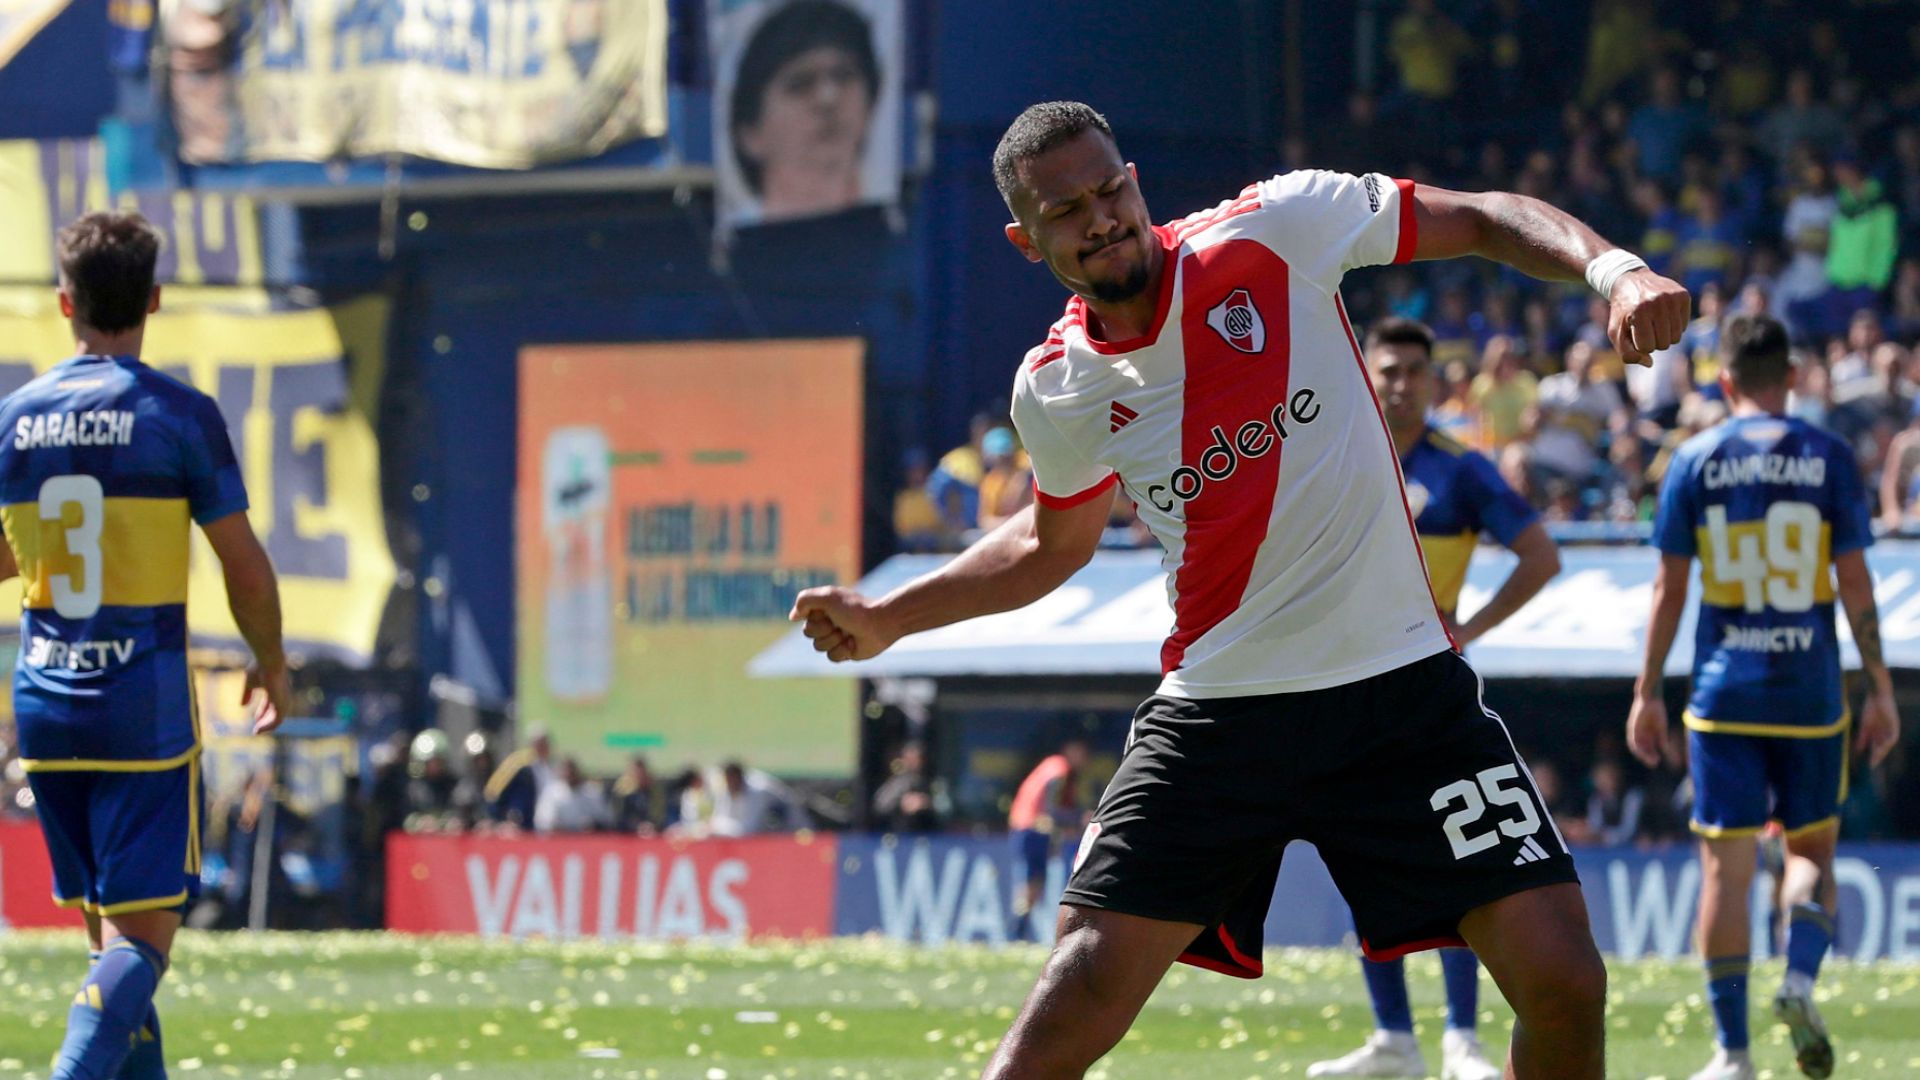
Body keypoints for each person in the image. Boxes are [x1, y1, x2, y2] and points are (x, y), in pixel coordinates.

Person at [793, 101, 1690, 1079]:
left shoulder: (1275, 228)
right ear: (1024, 238)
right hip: (1222, 712)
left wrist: (1616, 268)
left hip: (1402, 694)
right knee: (1079, 990)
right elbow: (1053, 547)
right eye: (1067, 211)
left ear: (1134, 180)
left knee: (1564, 978)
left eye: (1110, 190)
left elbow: (1474, 215)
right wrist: (891, 616)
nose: (1100, 218)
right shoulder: (1057, 389)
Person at [0, 211, 289, 1080]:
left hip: (47, 708)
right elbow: (243, 563)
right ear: (154, 299)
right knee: (141, 946)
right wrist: (271, 659)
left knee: (113, 949)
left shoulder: (12, 419)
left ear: (64, 303)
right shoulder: (178, 416)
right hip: (143, 709)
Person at [1629, 314, 1900, 1080]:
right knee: (1810, 853)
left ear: (1723, 382)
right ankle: (1799, 981)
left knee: (1726, 871)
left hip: (1722, 693)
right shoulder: (1828, 457)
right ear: (1790, 380)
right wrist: (1879, 689)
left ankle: (1732, 1054)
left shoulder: (1692, 460)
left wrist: (1647, 690)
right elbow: (1855, 585)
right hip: (1810, 692)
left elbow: (1668, 588)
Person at [1309, 317, 1563, 1080]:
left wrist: (1469, 628)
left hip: (1424, 692)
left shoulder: (1460, 470)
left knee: (1460, 856)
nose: (1398, 383)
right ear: (1367, 371)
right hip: (1339, 688)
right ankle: (1394, 1038)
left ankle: (1462, 1039)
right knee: (1356, 858)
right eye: (1387, 369)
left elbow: (1540, 554)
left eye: (1414, 371)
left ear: (1433, 380)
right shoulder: (1329, 450)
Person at [727, 0, 881, 220]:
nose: (828, 99)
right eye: (800, 84)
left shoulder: (899, 229)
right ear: (751, 134)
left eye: (843, 76)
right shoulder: (722, 249)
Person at [1006, 738, 1090, 941]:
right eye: (1081, 754)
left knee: (1033, 883)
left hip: (1026, 826)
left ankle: (1017, 933)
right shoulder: (1059, 771)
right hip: (1032, 828)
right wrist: (1080, 818)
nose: (1084, 760)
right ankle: (1015, 933)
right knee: (1031, 884)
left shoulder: (1050, 766)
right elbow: (1051, 810)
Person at [870, 740, 948, 833]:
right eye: (908, 759)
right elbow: (879, 805)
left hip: (930, 834)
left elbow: (946, 809)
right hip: (901, 834)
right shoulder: (897, 783)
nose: (912, 763)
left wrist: (926, 803)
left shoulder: (934, 783)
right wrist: (901, 804)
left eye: (915, 759)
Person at [484, 727, 554, 830]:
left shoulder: (550, 767)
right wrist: (497, 817)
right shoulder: (518, 764)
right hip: (522, 825)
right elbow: (492, 792)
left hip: (545, 826)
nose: (543, 747)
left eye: (545, 744)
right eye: (540, 744)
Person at [533, 756, 608, 833]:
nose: (570, 775)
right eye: (567, 771)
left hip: (587, 839)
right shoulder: (552, 792)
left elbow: (605, 819)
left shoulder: (592, 792)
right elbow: (543, 821)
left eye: (572, 771)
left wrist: (593, 826)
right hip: (559, 839)